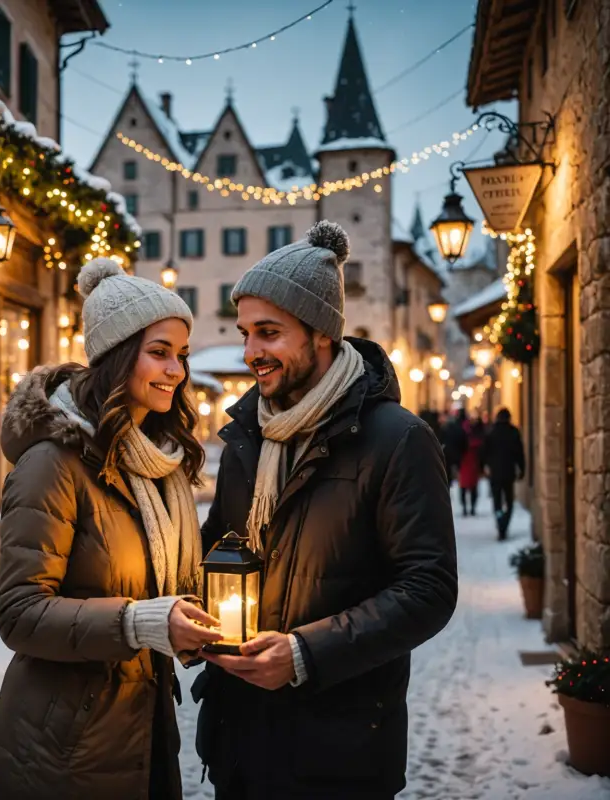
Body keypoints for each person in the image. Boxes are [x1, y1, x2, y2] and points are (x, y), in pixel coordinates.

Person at [194, 221, 458, 800]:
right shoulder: (248, 438)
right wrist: (196, 615)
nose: (251, 353)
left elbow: (429, 589)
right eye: (245, 334)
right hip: (239, 746)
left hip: (340, 755)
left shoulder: (398, 438)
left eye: (269, 333)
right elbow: (218, 553)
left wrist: (305, 653)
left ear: (322, 335)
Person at [0, 258, 222, 800]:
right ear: (116, 357)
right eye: (159, 352)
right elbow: (19, 614)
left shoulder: (155, 464)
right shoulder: (53, 463)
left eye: (181, 355)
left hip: (143, 730)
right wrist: (141, 623)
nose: (177, 371)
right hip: (66, 747)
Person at [482, 407, 525, 539]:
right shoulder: (513, 432)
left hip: (495, 473)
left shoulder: (491, 432)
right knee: (509, 501)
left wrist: (483, 467)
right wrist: (522, 469)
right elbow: (519, 453)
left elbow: (484, 452)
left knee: (497, 502)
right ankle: (504, 522)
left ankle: (500, 521)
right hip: (508, 473)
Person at [457, 412, 484, 516]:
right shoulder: (477, 440)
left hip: (465, 463)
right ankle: (471, 508)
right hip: (472, 463)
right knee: (472, 488)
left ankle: (465, 508)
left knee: (464, 487)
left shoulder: (461, 435)